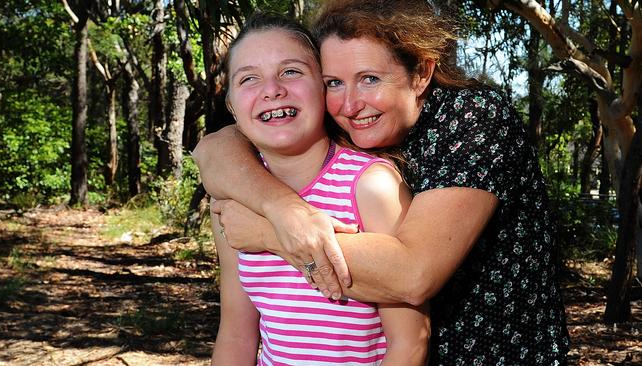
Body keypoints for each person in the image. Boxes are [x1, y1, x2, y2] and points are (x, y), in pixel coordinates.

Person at [195, 0, 570, 364]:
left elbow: (413, 276)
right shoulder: (331, 131)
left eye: (370, 79)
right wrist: (278, 207)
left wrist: (269, 231)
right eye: (335, 83)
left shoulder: (472, 120)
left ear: (421, 73)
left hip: (493, 353)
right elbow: (214, 149)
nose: (349, 105)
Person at [205, 12, 429, 366]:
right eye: (249, 79)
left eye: (291, 72)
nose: (272, 90)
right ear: (232, 105)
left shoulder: (370, 185)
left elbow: (410, 343)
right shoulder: (233, 204)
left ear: (323, 87)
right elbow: (236, 334)